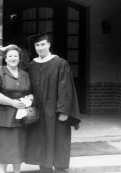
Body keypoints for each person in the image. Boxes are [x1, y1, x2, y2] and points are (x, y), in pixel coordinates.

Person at [25, 33, 81, 173]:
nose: (40, 48)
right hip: (39, 112)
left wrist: (63, 110)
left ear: (49, 45)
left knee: (59, 140)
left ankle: (61, 170)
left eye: (43, 44)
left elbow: (65, 87)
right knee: (40, 142)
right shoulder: (31, 65)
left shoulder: (60, 63)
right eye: (37, 45)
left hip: (55, 112)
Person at [0, 45, 33, 173]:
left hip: (21, 117)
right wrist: (11, 102)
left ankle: (17, 171)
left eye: (16, 56)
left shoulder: (25, 74)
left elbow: (31, 92)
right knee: (4, 148)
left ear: (19, 59)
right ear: (5, 59)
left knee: (18, 147)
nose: (13, 58)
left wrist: (28, 100)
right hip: (4, 117)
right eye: (10, 56)